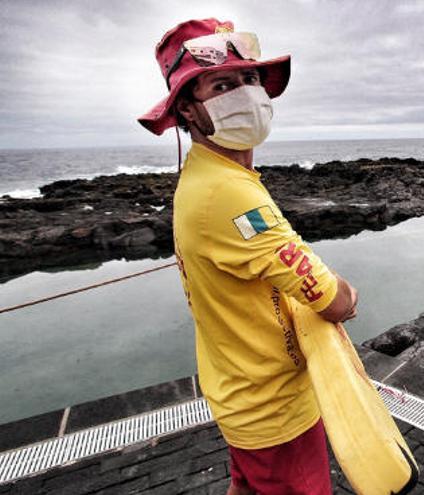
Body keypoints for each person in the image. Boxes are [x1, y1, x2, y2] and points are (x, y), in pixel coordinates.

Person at [138, 18, 358, 495]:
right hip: (273, 407)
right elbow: (335, 301)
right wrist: (348, 291)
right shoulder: (231, 195)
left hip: (239, 391)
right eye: (222, 85)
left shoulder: (206, 175)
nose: (246, 94)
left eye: (251, 79)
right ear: (189, 113)